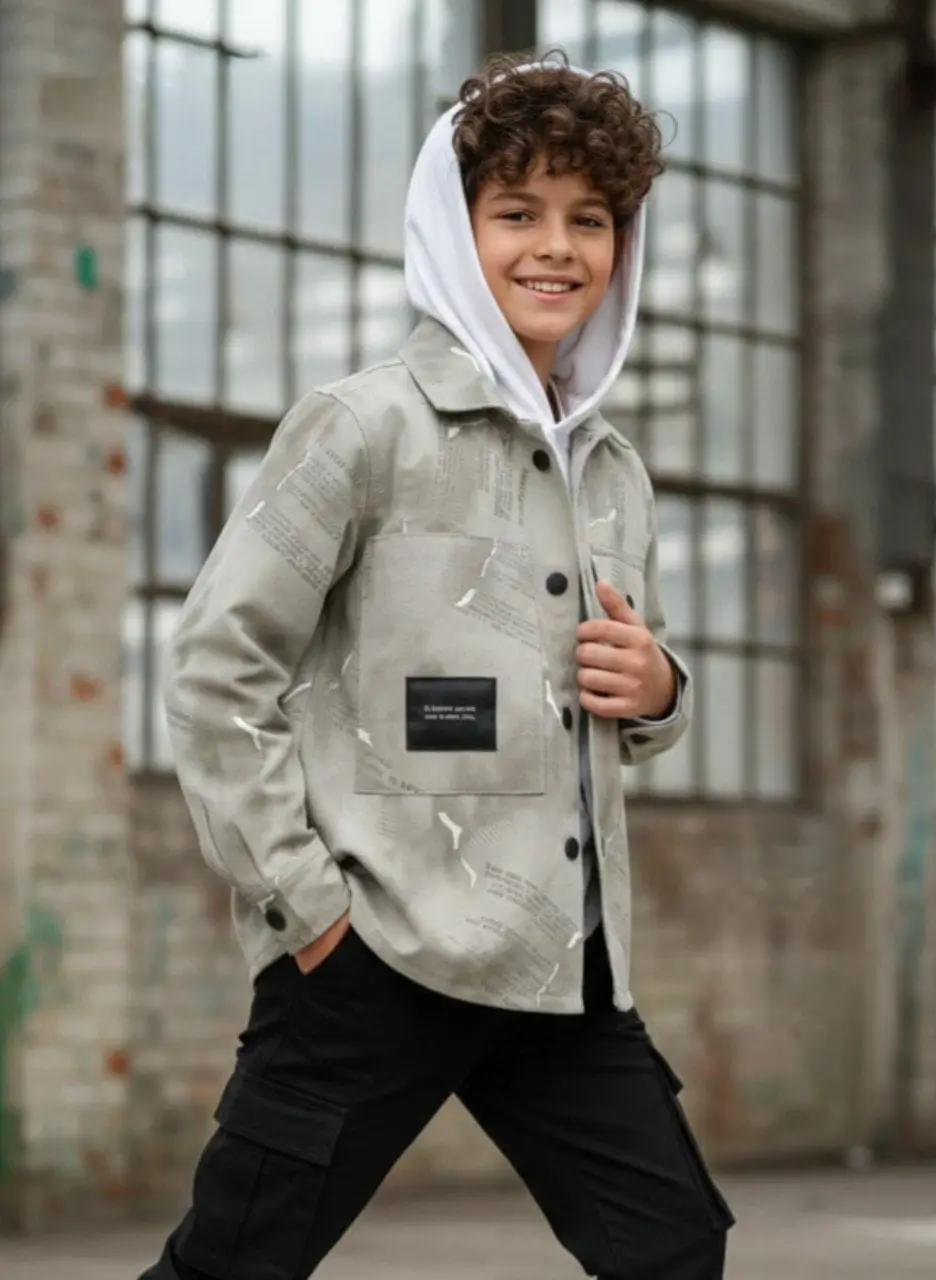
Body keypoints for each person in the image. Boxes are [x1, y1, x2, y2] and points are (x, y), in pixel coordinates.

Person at [139, 51, 734, 1280]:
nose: (555, 247)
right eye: (517, 212)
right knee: (233, 1265)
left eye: (589, 218)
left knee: (673, 1246)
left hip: (561, 966)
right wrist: (311, 914)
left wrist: (661, 688)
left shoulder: (613, 468)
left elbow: (630, 703)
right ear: (456, 234)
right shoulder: (363, 427)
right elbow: (214, 668)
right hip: (374, 956)